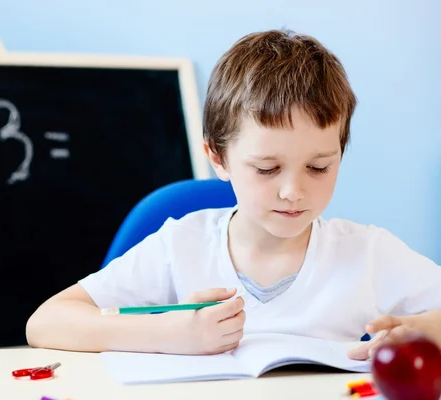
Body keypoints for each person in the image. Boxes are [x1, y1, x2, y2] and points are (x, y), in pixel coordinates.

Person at [26, 29, 441, 359]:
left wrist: (420, 331)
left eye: (319, 167)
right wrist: (170, 334)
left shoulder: (367, 253)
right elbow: (45, 323)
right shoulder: (181, 245)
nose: (293, 191)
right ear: (218, 158)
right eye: (267, 168)